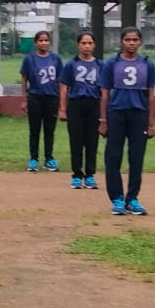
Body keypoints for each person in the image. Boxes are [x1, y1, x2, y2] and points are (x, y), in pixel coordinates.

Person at [98, 27, 155, 216]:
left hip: (138, 114)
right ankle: (117, 198)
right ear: (121, 42)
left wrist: (151, 123)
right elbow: (104, 94)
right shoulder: (111, 63)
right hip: (116, 114)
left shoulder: (147, 64)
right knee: (113, 156)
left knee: (136, 157)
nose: (131, 43)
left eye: (135, 40)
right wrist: (103, 120)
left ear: (140, 42)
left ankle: (132, 198)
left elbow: (151, 96)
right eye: (127, 40)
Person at [57, 31, 102, 190]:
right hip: (76, 104)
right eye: (84, 43)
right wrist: (63, 109)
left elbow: (105, 89)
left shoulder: (100, 65)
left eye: (90, 43)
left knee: (92, 141)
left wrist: (105, 112)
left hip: (94, 105)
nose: (87, 46)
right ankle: (77, 175)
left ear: (94, 45)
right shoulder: (71, 64)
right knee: (76, 141)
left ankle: (89, 175)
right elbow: (63, 87)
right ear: (78, 45)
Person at [19, 30, 63, 172]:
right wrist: (24, 99)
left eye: (46, 40)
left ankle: (49, 158)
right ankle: (33, 159)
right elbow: (24, 80)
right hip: (35, 97)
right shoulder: (29, 59)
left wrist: (62, 102)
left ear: (49, 42)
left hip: (52, 97)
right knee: (34, 130)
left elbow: (60, 81)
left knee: (49, 130)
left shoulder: (56, 59)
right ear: (36, 43)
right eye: (41, 40)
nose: (44, 43)